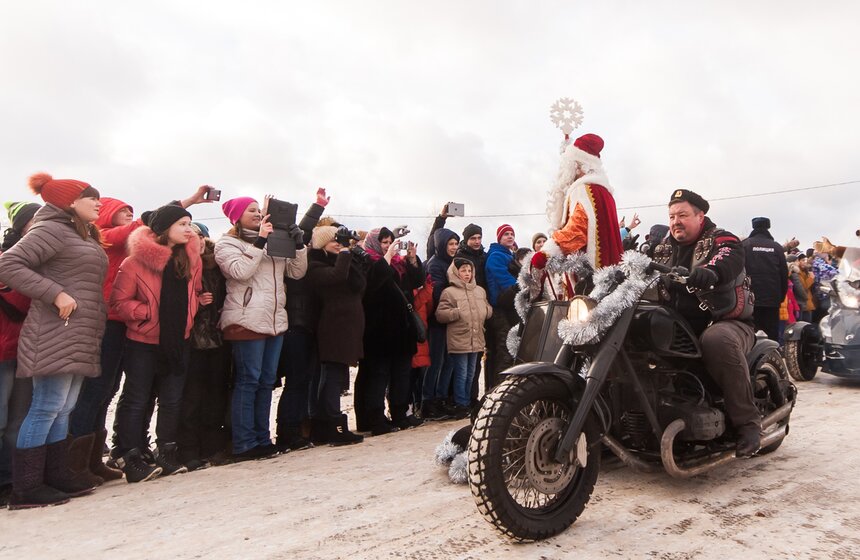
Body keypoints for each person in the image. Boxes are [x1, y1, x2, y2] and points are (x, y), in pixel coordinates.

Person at [0, 173, 108, 509]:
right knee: (47, 405)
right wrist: (55, 293)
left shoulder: (80, 233)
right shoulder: (49, 229)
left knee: (64, 407)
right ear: (69, 202)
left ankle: (56, 475)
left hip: (78, 330)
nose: (98, 203)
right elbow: (8, 264)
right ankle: (27, 487)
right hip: (54, 329)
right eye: (91, 197)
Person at [652, 189, 760, 457]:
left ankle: (748, 424)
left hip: (725, 321)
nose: (676, 221)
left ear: (701, 216)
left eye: (683, 215)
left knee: (716, 341)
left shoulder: (721, 239)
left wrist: (707, 273)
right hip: (679, 326)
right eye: (672, 216)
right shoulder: (662, 247)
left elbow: (728, 258)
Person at [110, 205, 204, 481]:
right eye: (182, 224)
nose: (189, 229)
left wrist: (196, 304)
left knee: (172, 399)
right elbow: (119, 302)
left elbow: (194, 291)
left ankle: (166, 452)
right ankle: (130, 456)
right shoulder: (135, 262)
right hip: (143, 340)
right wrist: (148, 312)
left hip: (178, 339)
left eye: (190, 224)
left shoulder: (191, 259)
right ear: (164, 229)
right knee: (137, 399)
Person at [215, 196, 308, 460]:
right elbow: (239, 271)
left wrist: (298, 244)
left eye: (258, 210)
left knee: (266, 382)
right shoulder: (227, 243)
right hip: (246, 320)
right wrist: (260, 242)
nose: (257, 214)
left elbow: (297, 273)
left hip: (274, 321)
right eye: (251, 210)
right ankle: (244, 443)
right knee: (248, 381)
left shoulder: (273, 239)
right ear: (236, 216)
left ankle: (262, 439)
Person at [275, 188, 330, 452]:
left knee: (304, 381)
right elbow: (302, 230)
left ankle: (297, 430)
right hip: (294, 324)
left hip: (307, 323)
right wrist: (316, 207)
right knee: (295, 382)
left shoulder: (303, 254)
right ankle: (287, 432)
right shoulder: (286, 253)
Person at [355, 228, 424, 434]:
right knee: (379, 376)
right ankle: (375, 418)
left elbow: (417, 281)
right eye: (384, 242)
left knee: (402, 374)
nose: (388, 246)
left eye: (390, 242)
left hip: (402, 330)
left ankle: (400, 414)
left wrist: (412, 260)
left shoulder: (399, 264)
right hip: (379, 331)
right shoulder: (367, 260)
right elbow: (374, 283)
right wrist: (386, 257)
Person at [306, 225, 366, 445]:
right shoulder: (314, 265)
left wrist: (352, 254)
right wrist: (344, 254)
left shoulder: (341, 260)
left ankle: (330, 423)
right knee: (330, 377)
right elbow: (336, 277)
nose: (339, 244)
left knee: (337, 377)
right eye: (334, 240)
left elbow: (359, 284)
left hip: (347, 328)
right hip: (332, 328)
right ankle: (331, 424)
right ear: (322, 243)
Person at [177, 222, 230, 469]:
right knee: (191, 398)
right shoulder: (179, 264)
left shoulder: (214, 265)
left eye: (200, 235)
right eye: (192, 235)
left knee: (214, 396)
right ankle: (187, 449)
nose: (196, 239)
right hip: (190, 340)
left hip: (216, 338)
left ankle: (212, 446)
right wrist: (194, 301)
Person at [0, 201, 39, 505]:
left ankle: (14, 480)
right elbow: (21, 302)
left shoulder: (42, 260)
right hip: (3, 351)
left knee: (18, 421)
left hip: (26, 351)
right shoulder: (8, 259)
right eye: (35, 218)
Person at [540, 133, 624, 267]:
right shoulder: (604, 191)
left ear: (577, 166)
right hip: (609, 269)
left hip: (588, 272)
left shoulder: (582, 190)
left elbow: (578, 230)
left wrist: (548, 251)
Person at [435, 258, 492, 417]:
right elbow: (440, 314)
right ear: (456, 272)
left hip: (477, 338)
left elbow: (487, 307)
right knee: (461, 373)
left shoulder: (479, 291)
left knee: (471, 373)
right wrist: (455, 313)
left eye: (469, 270)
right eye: (463, 270)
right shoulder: (449, 292)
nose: (467, 274)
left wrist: (487, 311)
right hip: (459, 339)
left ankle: (467, 401)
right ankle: (461, 404)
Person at [421, 227, 460, 420]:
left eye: (455, 244)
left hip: (452, 319)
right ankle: (428, 401)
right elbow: (438, 292)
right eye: (450, 244)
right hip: (437, 319)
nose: (453, 247)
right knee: (436, 362)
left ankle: (441, 398)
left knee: (450, 362)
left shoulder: (454, 263)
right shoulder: (435, 264)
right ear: (442, 245)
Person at [742, 217, 788, 341]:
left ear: (753, 227)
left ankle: (750, 358)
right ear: (768, 227)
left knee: (750, 333)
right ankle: (772, 357)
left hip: (749, 299)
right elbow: (784, 274)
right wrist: (780, 297)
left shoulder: (745, 245)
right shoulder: (776, 247)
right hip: (772, 299)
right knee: (772, 334)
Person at [484, 224, 518, 390]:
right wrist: (521, 286)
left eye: (512, 234)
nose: (510, 237)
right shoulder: (496, 256)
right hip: (500, 305)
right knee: (504, 347)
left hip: (509, 306)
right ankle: (499, 386)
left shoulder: (508, 255)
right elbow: (504, 280)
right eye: (506, 234)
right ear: (499, 238)